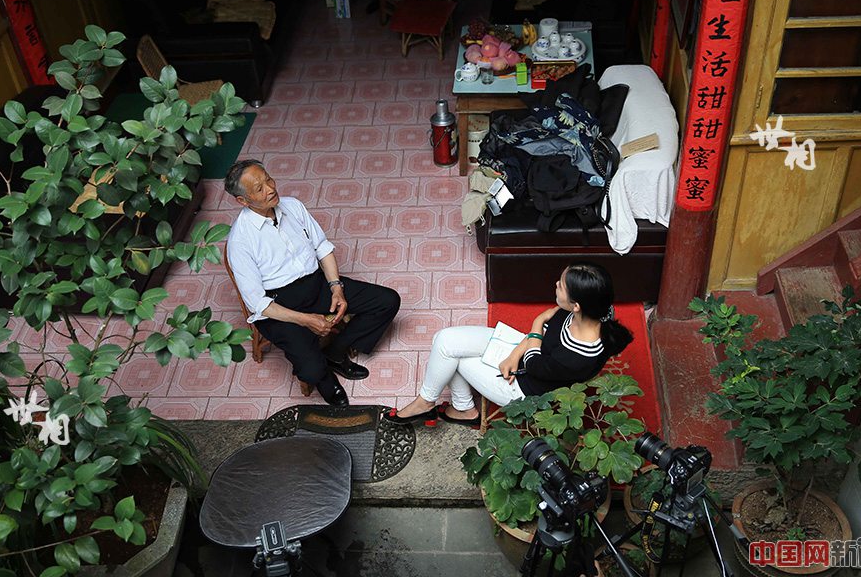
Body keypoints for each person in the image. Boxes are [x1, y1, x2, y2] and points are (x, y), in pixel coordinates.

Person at [224, 159, 401, 407]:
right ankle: (326, 379)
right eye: (259, 188)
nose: (270, 189)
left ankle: (336, 352)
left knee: (387, 301)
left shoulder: (292, 207)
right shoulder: (240, 241)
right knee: (311, 370)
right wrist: (306, 320)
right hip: (279, 306)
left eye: (268, 179)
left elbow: (321, 247)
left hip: (316, 285)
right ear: (243, 201)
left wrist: (336, 288)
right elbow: (257, 303)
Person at [386, 262, 633, 426]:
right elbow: (546, 319)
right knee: (445, 340)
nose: (556, 285)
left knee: (453, 358)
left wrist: (531, 337)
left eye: (561, 285)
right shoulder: (598, 310)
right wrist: (518, 350)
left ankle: (447, 406)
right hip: (526, 351)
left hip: (523, 388)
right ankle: (449, 405)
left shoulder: (577, 355)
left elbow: (536, 358)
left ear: (577, 306)